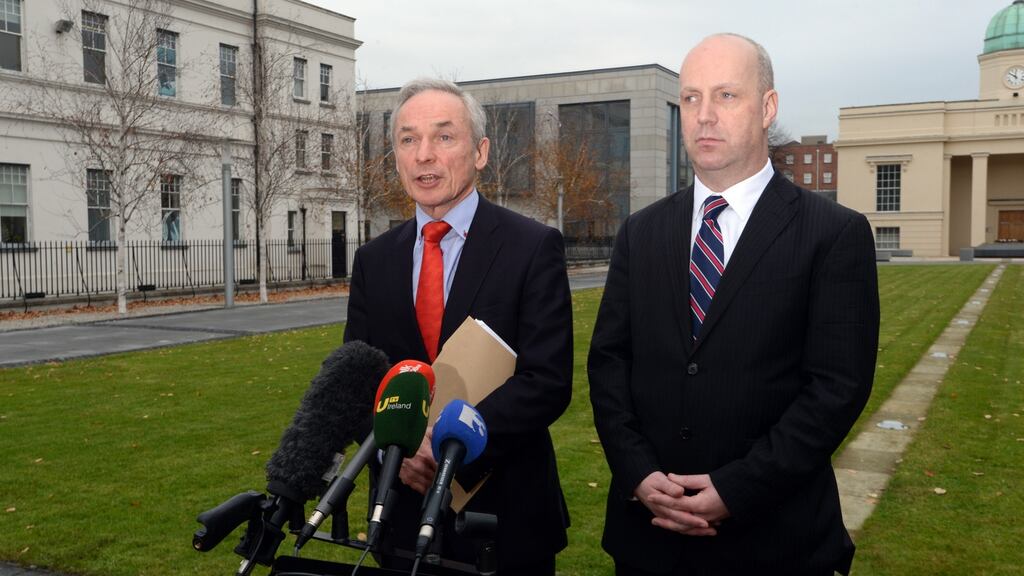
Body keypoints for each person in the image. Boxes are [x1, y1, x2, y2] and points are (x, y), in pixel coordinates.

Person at [588, 33, 880, 576]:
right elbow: (609, 364)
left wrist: (738, 488)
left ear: (768, 107)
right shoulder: (641, 232)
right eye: (692, 98)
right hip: (647, 542)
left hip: (775, 543)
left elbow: (836, 389)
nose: (703, 116)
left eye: (725, 96)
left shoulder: (833, 234)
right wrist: (636, 472)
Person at [344, 78, 572, 576]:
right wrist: (397, 448)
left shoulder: (532, 248)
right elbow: (358, 380)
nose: (424, 155)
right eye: (408, 139)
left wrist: (449, 451)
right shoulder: (372, 261)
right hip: (399, 518)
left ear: (481, 152)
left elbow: (547, 382)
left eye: (444, 137)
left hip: (504, 521)